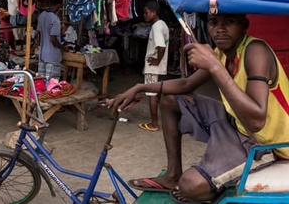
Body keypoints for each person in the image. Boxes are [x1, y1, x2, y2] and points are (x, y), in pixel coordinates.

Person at [113, 13, 289, 203]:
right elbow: (186, 85)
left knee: (190, 188)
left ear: (244, 26)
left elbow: (256, 121)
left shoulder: (255, 50)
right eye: (214, 23)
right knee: (171, 99)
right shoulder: (222, 52)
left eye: (229, 22)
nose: (220, 29)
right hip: (237, 124)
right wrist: (140, 87)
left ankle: (215, 182)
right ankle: (172, 175)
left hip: (267, 145)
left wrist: (214, 66)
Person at [139, 1, 169, 132]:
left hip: (154, 67)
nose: (144, 15)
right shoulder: (162, 25)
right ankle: (159, 120)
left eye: (146, 13)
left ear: (153, 12)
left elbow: (161, 46)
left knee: (151, 95)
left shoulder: (156, 27)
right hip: (155, 67)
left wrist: (156, 61)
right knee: (156, 94)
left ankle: (154, 124)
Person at [36, 0, 64, 79]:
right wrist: (62, 47)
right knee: (52, 82)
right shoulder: (55, 19)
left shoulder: (41, 15)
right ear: (58, 5)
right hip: (52, 55)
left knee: (42, 80)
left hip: (43, 53)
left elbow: (39, 34)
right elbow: (53, 39)